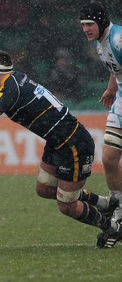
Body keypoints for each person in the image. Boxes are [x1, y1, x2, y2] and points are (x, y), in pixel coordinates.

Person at [0, 49, 120, 249]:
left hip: (73, 144)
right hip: (56, 141)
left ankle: (111, 227)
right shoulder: (11, 82)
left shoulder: (10, 89)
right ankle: (104, 203)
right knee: (44, 189)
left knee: (67, 205)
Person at [79, 2, 122, 243]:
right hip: (120, 101)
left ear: (102, 22)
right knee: (108, 158)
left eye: (89, 24)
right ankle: (120, 208)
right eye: (83, 24)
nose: (85, 29)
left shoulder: (118, 40)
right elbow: (116, 68)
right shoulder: (100, 41)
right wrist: (110, 89)